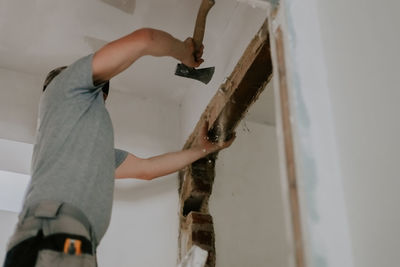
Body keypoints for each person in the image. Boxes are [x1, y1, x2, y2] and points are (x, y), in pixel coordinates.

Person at [3, 28, 234, 267]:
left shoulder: (88, 151)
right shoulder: (63, 87)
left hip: (71, 242)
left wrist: (202, 150)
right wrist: (183, 52)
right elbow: (145, 39)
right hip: (54, 237)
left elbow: (147, 169)